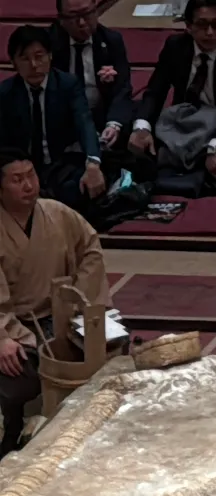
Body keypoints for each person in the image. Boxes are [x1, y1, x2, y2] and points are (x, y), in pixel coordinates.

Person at [0, 147, 109, 459]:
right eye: (17, 180)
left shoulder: (57, 213)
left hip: (62, 314)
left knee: (108, 346)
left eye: (31, 175)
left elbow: (90, 247)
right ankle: (12, 432)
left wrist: (79, 300)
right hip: (15, 325)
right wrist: (3, 336)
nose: (28, 185)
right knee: (18, 376)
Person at [130, 0, 216, 185]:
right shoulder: (175, 46)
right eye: (202, 25)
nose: (210, 32)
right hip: (185, 120)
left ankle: (173, 157)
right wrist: (142, 128)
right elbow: (156, 90)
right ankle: (190, 160)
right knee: (132, 122)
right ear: (188, 26)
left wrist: (215, 146)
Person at [0, 26, 107, 214]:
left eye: (39, 56)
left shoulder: (68, 85)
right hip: (23, 169)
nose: (34, 65)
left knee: (80, 189)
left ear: (50, 56)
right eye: (25, 58)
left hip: (61, 164)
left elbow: (85, 124)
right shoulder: (5, 93)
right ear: (13, 63)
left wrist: (93, 162)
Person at [50, 0, 135, 153]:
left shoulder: (111, 41)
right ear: (61, 19)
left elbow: (122, 88)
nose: (82, 23)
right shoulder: (48, 44)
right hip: (63, 120)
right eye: (73, 17)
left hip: (101, 116)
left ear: (96, 11)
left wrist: (113, 124)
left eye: (87, 14)